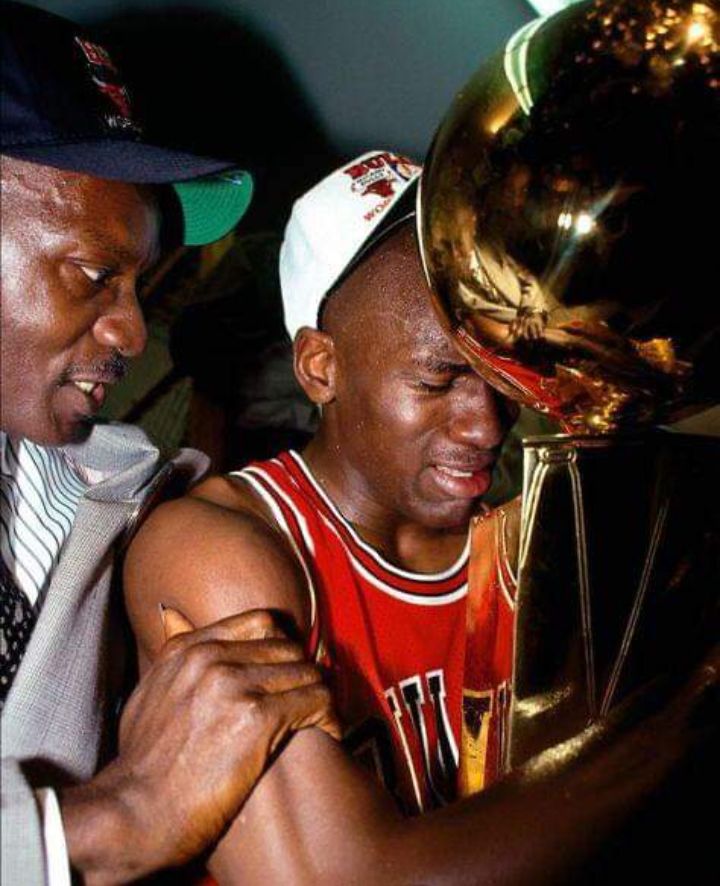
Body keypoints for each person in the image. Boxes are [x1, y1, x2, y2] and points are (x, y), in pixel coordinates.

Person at [126, 152, 718, 883]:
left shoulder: (526, 536)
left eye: (502, 375)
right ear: (321, 368)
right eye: (439, 379)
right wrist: (684, 715)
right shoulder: (220, 550)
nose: (486, 424)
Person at [1, 4, 337, 884]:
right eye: (93, 274)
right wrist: (108, 820)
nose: (131, 329)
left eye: (141, 284)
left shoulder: (101, 494)